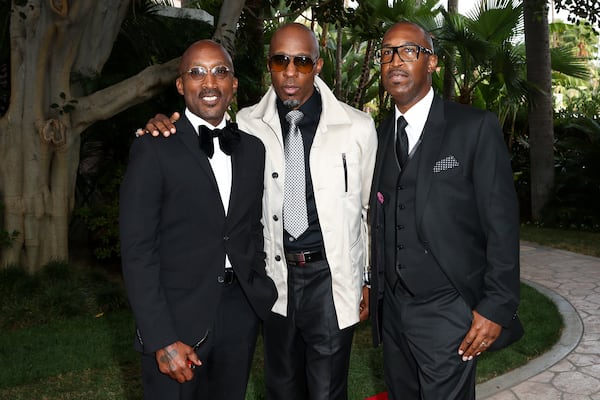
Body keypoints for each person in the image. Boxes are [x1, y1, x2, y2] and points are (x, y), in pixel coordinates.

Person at [140, 22, 378, 400]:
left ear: (318, 66)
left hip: (330, 279)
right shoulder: (247, 124)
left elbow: (368, 210)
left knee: (327, 390)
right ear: (269, 65)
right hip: (275, 279)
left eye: (301, 61)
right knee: (280, 388)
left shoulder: (359, 127)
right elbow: (199, 133)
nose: (290, 72)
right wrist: (162, 124)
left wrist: (366, 277)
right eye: (280, 60)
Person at [368, 21, 522, 400]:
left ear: (432, 62)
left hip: (448, 307)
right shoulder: (381, 133)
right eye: (387, 52)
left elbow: (501, 224)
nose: (395, 61)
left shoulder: (473, 127)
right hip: (393, 310)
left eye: (409, 51)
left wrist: (497, 306)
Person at [119, 40, 277, 400]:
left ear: (233, 84)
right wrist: (160, 338)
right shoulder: (153, 147)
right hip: (176, 319)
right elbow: (137, 251)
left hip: (240, 314)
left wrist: (257, 284)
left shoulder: (253, 151)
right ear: (180, 85)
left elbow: (250, 227)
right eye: (197, 73)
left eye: (220, 71)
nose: (209, 83)